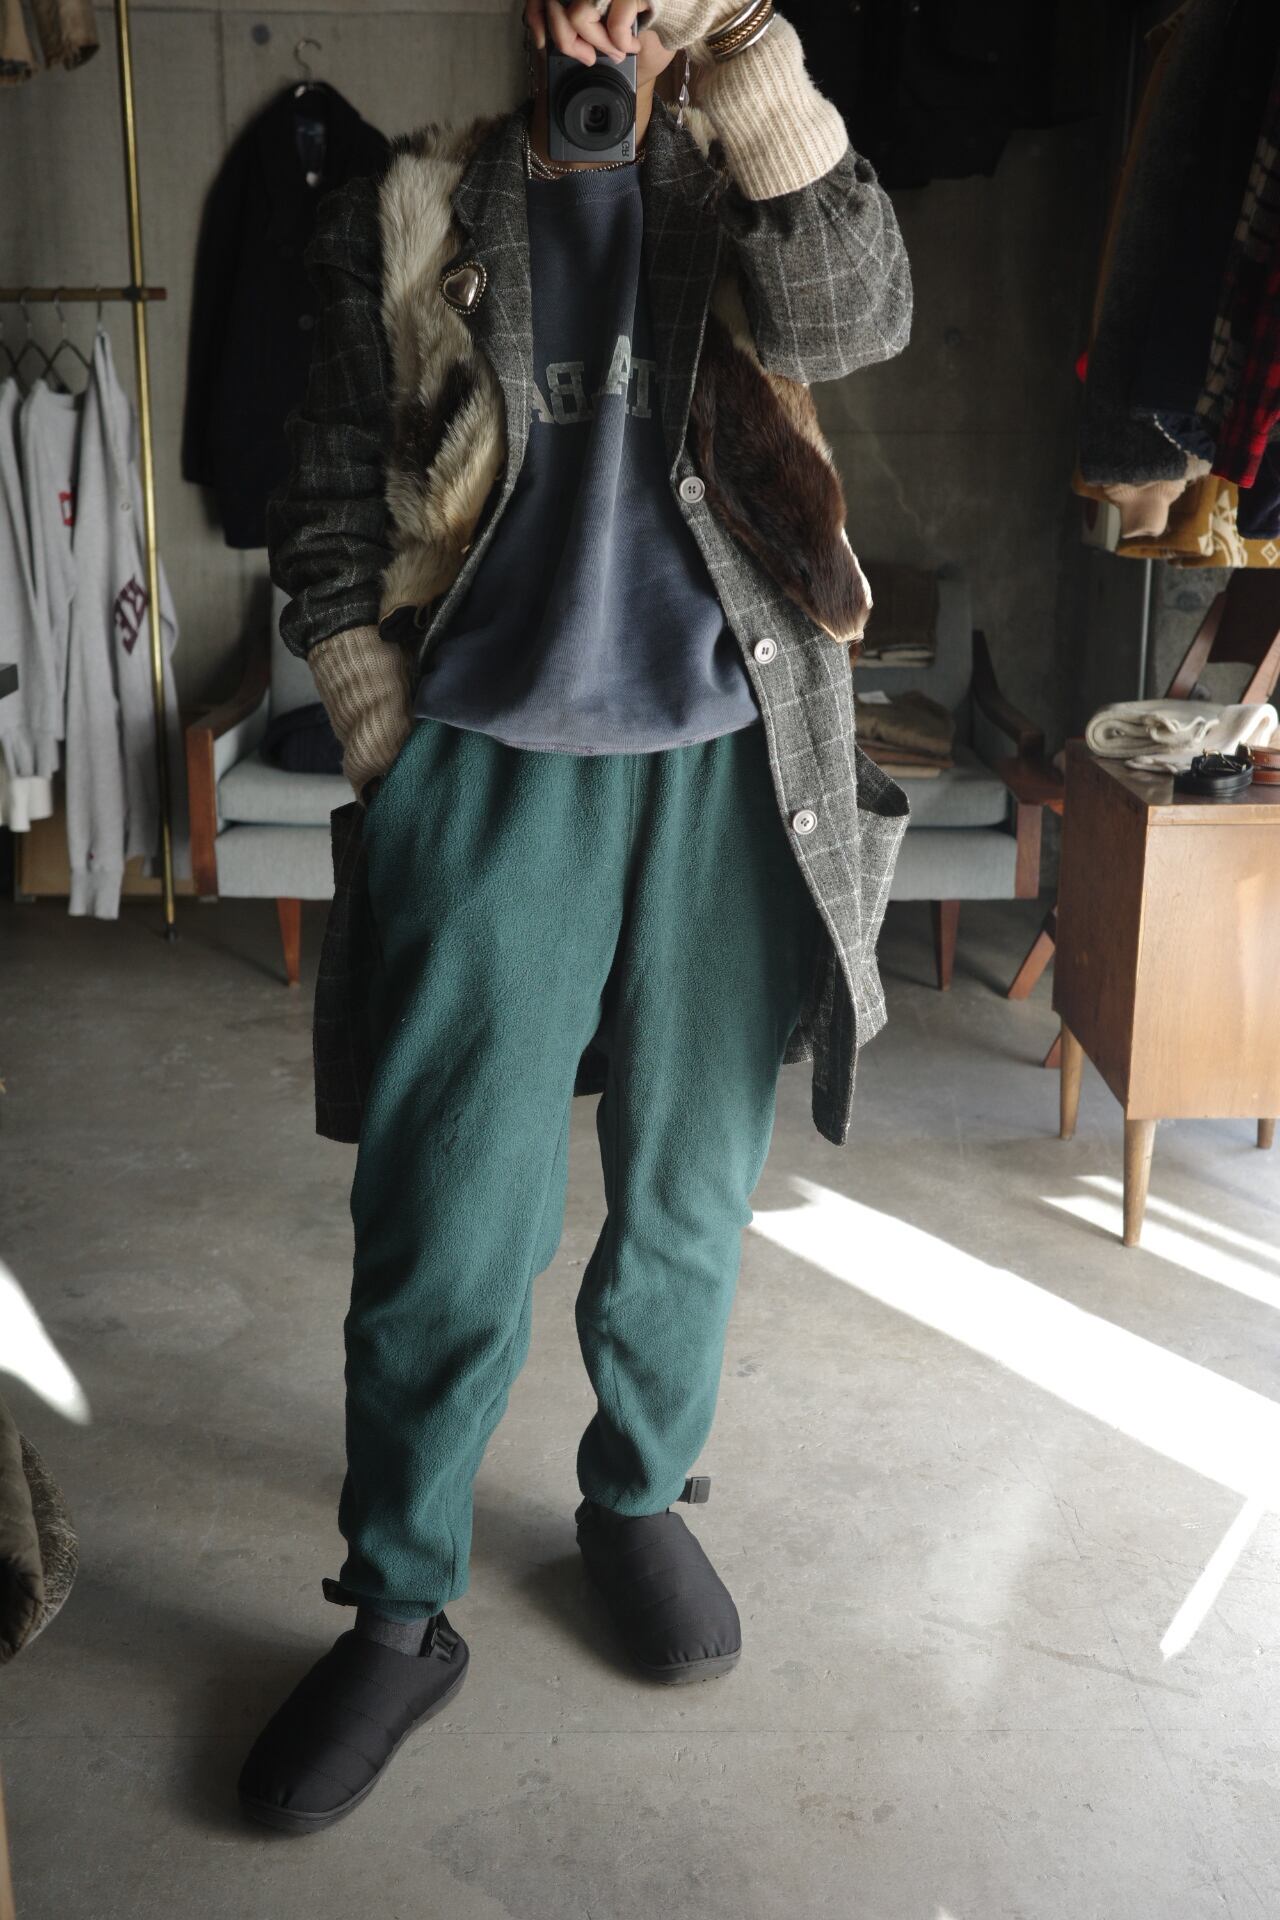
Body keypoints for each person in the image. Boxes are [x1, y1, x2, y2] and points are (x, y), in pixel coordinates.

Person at [238, 0, 912, 1835]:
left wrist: (745, 50)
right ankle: (399, 1604)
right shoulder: (407, 207)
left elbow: (860, 315)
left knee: (690, 1184)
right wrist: (384, 742)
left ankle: (637, 1497)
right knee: (447, 1207)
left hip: (734, 767)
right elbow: (320, 501)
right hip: (484, 767)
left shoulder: (750, 180)